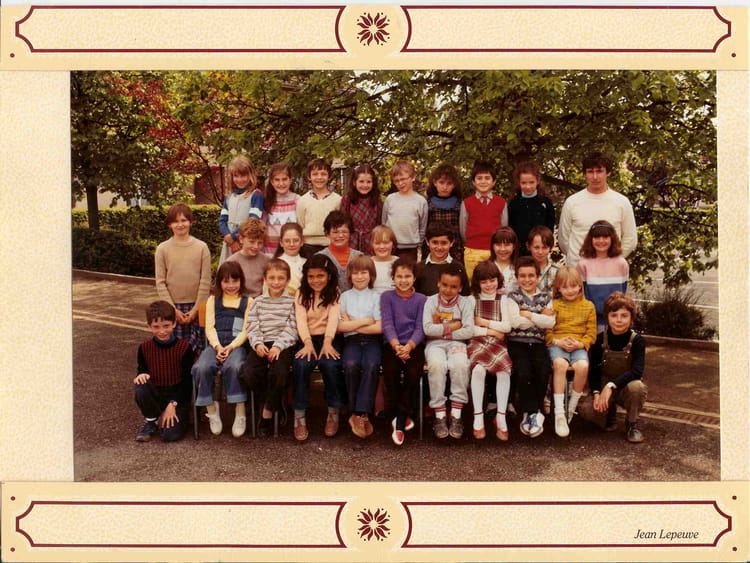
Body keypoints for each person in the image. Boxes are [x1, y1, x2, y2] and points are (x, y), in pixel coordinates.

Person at [190, 261, 252, 438]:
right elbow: (209, 328)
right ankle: (212, 409)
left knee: (234, 367)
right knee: (201, 367)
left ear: (241, 281)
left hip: (236, 345)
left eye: (235, 280)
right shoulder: (213, 301)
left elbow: (246, 330)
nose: (231, 285)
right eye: (226, 281)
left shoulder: (248, 301)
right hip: (215, 344)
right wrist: (218, 347)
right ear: (219, 282)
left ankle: (240, 412)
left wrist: (231, 347)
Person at [240, 259, 298, 437]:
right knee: (248, 373)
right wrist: (257, 343)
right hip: (261, 343)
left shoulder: (291, 302)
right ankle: (272, 401)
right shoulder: (258, 302)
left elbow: (292, 327)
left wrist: (278, 346)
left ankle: (266, 412)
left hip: (282, 345)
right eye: (272, 278)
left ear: (288, 280)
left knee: (280, 373)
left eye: (281, 278)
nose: (276, 282)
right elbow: (252, 326)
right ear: (265, 279)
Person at [292, 254, 345, 441]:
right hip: (306, 338)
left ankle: (333, 412)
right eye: (311, 276)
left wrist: (328, 342)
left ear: (329, 275)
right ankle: (299, 415)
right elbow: (301, 321)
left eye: (320, 276)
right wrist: (307, 343)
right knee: (301, 365)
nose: (316, 280)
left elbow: (333, 320)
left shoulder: (334, 292)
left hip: (329, 338)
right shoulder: (301, 294)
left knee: (330, 365)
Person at [422, 262, 475, 439]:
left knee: (460, 365)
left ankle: (456, 415)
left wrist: (442, 331)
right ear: (438, 283)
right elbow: (427, 329)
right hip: (434, 344)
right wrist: (453, 326)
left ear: (460, 287)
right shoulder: (430, 301)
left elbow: (468, 331)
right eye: (444, 285)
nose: (448, 290)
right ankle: (439, 415)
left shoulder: (464, 303)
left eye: (453, 287)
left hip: (457, 343)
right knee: (436, 365)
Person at [586, 292, 647, 443]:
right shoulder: (599, 339)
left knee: (637, 387)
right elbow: (594, 370)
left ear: (631, 318)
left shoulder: (637, 341)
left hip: (625, 387)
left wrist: (611, 385)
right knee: (586, 411)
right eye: (614, 315)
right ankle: (609, 413)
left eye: (624, 316)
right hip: (604, 389)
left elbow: (637, 371)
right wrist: (596, 393)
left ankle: (632, 423)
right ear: (607, 317)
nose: (619, 320)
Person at [558, 152, 637, 267]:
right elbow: (563, 239)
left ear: (608, 173)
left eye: (599, 171)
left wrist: (612, 261)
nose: (595, 177)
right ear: (585, 174)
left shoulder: (622, 202)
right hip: (577, 271)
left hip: (610, 271)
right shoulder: (572, 202)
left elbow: (630, 239)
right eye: (590, 172)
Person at [506, 256, 556, 438]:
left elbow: (550, 323)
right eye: (522, 276)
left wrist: (528, 314)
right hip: (516, 343)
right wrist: (539, 316)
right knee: (524, 371)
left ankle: (534, 412)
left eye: (531, 276)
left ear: (538, 277)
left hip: (538, 343)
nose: (527, 280)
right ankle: (530, 413)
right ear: (516, 277)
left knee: (542, 369)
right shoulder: (512, 297)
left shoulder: (546, 297)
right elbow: (515, 322)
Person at [545, 266, 596, 438]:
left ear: (580, 286)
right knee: (559, 364)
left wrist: (580, 344)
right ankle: (559, 412)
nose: (570, 290)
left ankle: (571, 406)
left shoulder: (588, 306)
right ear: (558, 288)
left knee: (582, 366)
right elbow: (547, 331)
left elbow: (591, 333)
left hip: (578, 346)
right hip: (557, 344)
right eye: (565, 287)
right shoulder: (554, 305)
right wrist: (557, 341)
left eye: (573, 286)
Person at [380, 258, 426, 446]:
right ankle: (402, 414)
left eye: (407, 276)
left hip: (414, 345)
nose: (403, 280)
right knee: (390, 371)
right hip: (393, 344)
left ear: (414, 278)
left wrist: (409, 346)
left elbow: (420, 327)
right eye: (399, 276)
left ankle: (399, 419)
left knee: (413, 372)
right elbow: (387, 323)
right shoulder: (387, 297)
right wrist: (397, 345)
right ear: (393, 278)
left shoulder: (422, 299)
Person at [133, 301, 194, 442]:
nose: (162, 331)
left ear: (174, 324)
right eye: (156, 327)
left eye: (166, 326)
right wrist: (140, 375)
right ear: (149, 326)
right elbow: (142, 369)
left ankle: (177, 416)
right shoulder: (144, 348)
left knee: (170, 436)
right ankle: (151, 420)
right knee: (140, 385)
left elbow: (187, 382)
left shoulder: (185, 347)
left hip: (177, 397)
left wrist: (173, 403)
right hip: (156, 397)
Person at [154, 203, 211, 354]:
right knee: (173, 352)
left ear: (191, 222)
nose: (180, 225)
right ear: (169, 224)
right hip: (172, 307)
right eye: (175, 221)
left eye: (184, 220)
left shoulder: (202, 247)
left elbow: (205, 281)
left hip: (196, 307)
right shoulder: (162, 249)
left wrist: (196, 310)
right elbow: (160, 282)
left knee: (198, 352)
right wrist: (173, 310)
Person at [467, 261, 513, 441]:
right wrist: (492, 331)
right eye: (484, 281)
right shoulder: (472, 299)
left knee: (504, 371)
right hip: (477, 342)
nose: (489, 285)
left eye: (492, 280)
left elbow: (507, 327)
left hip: (498, 344)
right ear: (477, 283)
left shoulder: (503, 300)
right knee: (478, 370)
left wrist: (484, 322)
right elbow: (469, 328)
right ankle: (478, 416)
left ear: (498, 280)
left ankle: (501, 416)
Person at [338, 255, 382, 438]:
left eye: (364, 272)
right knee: (350, 365)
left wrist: (353, 324)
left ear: (371, 275)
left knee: (371, 365)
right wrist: (365, 321)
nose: (360, 277)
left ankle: (360, 414)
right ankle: (357, 412)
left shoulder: (376, 296)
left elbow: (379, 327)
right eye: (355, 273)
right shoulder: (344, 297)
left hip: (372, 341)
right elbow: (340, 327)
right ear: (350, 275)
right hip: (352, 341)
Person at [576, 220, 629, 332]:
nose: (601, 241)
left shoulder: (621, 263)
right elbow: (581, 294)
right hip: (591, 321)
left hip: (616, 321)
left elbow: (623, 292)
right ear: (591, 239)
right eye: (597, 237)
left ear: (612, 239)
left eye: (605, 237)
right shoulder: (583, 264)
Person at [460, 161, 508, 279]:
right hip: (472, 251)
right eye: (479, 178)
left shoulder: (501, 202)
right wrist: (471, 243)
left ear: (494, 182)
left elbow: (504, 229)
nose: (483, 181)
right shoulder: (466, 203)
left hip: (494, 251)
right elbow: (463, 228)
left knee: (493, 282)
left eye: (487, 178)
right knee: (473, 282)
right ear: (473, 182)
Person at [219, 155, 264, 264]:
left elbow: (253, 220)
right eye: (236, 176)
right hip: (229, 242)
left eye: (243, 175)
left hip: (246, 242)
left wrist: (235, 237)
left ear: (250, 175)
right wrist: (228, 238)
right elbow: (222, 221)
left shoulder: (256, 195)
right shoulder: (229, 197)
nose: (240, 180)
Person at [381, 160, 428, 262]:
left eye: (403, 179)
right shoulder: (390, 199)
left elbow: (422, 226)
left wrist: (418, 242)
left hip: (410, 248)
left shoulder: (420, 201)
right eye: (396, 181)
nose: (400, 183)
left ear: (413, 177)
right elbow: (384, 222)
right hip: (390, 246)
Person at [507, 160, 555, 257]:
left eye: (531, 182)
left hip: (540, 251)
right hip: (519, 253)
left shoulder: (546, 203)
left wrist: (544, 246)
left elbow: (550, 228)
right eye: (524, 183)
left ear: (538, 181)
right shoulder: (514, 204)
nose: (528, 186)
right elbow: (511, 229)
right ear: (518, 182)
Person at [296, 158, 341, 257]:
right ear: (309, 176)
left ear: (329, 176)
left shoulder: (337, 200)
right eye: (315, 174)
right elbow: (300, 224)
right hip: (308, 247)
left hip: (330, 245)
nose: (319, 177)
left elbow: (339, 225)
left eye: (323, 174)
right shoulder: (302, 200)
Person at [422, 163, 464, 263]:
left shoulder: (460, 204)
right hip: (433, 247)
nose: (445, 187)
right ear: (434, 182)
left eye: (449, 183)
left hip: (454, 247)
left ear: (454, 185)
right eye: (441, 182)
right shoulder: (428, 204)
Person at [414, 221, 470, 297]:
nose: (439, 247)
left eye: (444, 243)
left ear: (451, 243)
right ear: (427, 242)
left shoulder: (458, 267)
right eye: (435, 242)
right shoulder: (419, 268)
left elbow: (465, 295)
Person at [316, 210, 363, 293]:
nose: (340, 235)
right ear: (327, 233)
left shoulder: (359, 256)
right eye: (335, 232)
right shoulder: (319, 257)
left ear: (350, 233)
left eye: (344, 232)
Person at [340, 163, 383, 255]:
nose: (365, 185)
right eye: (361, 181)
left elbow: (380, 223)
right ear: (354, 182)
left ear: (373, 183)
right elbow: (343, 222)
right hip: (352, 240)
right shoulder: (347, 199)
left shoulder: (377, 201)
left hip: (371, 240)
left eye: (368, 182)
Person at [261, 162, 300, 256]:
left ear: (290, 180)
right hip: (269, 252)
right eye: (277, 180)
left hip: (291, 251)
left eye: (284, 179)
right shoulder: (266, 201)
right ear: (272, 181)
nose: (281, 183)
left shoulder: (298, 200)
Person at [227, 217, 271, 298]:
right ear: (241, 239)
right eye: (251, 242)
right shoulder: (231, 262)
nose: (256, 246)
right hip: (239, 301)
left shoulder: (267, 261)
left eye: (260, 243)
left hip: (261, 301)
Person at [274, 222, 306, 296]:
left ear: (302, 242)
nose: (291, 244)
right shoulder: (274, 264)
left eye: (296, 240)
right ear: (281, 243)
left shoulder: (308, 263)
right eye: (287, 241)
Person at [526, 225, 559, 298]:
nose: (540, 252)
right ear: (528, 246)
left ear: (551, 248)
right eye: (536, 247)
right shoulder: (522, 270)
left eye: (544, 248)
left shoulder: (557, 272)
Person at [488, 226, 520, 294]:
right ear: (493, 246)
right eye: (498, 245)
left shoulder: (520, 267)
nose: (502, 249)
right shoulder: (485, 267)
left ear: (514, 246)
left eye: (507, 245)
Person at [370, 224, 398, 294]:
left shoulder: (399, 262)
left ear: (393, 243)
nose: (382, 247)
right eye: (377, 243)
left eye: (386, 243)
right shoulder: (368, 263)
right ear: (372, 244)